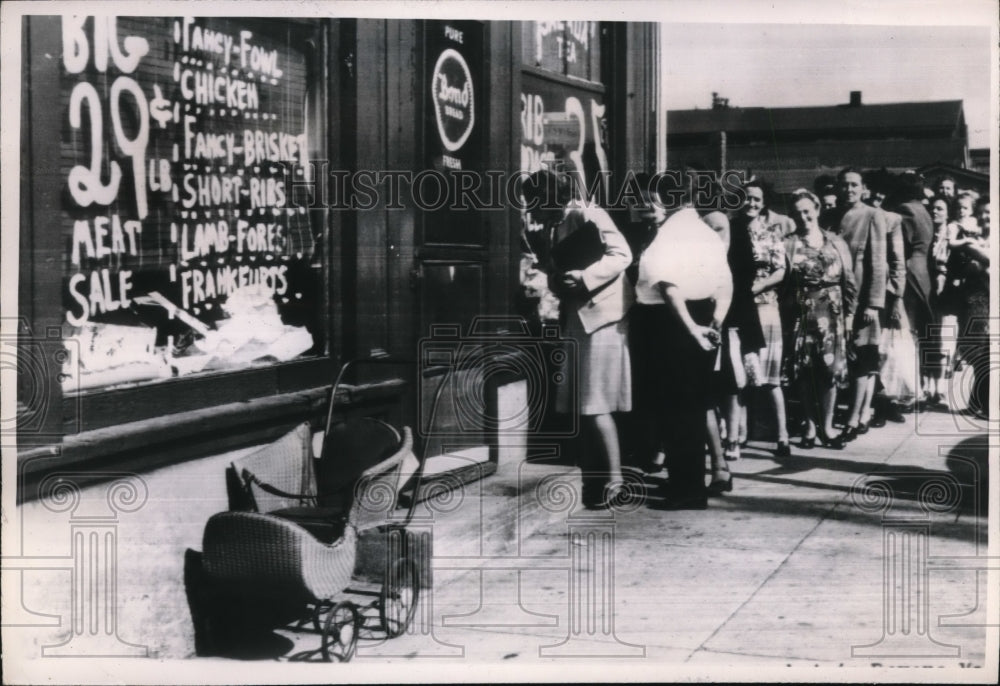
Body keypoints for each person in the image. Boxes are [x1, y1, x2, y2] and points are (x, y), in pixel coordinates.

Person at [523, 169, 634, 509]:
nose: (533, 214)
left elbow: (622, 254)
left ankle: (614, 482)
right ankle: (596, 480)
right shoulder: (559, 222)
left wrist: (583, 277)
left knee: (594, 403)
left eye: (535, 205)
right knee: (583, 404)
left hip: (601, 317)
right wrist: (558, 280)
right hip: (580, 318)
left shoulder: (587, 211)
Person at [634, 169, 732, 510]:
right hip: (704, 317)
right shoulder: (705, 231)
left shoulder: (672, 232)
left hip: (673, 323)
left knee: (677, 409)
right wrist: (714, 321)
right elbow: (724, 283)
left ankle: (686, 489)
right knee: (693, 406)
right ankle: (689, 483)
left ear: (668, 197)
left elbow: (668, 285)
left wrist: (690, 329)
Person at [783, 190, 857, 448]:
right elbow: (783, 282)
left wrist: (849, 316)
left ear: (816, 210)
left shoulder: (835, 241)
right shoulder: (788, 243)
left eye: (807, 211)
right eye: (797, 213)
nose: (803, 217)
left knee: (830, 370)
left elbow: (849, 281)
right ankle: (810, 427)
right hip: (802, 312)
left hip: (833, 312)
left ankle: (827, 426)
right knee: (804, 370)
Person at [733, 178, 792, 457]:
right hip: (739, 309)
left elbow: (780, 270)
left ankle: (782, 435)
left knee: (770, 375)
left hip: (765, 306)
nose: (751, 203)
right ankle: (741, 432)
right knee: (742, 372)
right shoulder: (731, 230)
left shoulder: (771, 233)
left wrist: (756, 287)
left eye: (756, 199)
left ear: (763, 202)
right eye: (746, 197)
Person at [833, 168, 887, 442]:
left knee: (861, 358)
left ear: (863, 188)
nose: (849, 189)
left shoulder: (872, 215)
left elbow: (879, 261)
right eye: (844, 185)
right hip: (837, 297)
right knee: (846, 356)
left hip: (863, 299)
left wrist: (874, 303)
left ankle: (853, 419)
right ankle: (852, 414)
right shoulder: (833, 215)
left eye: (854, 185)